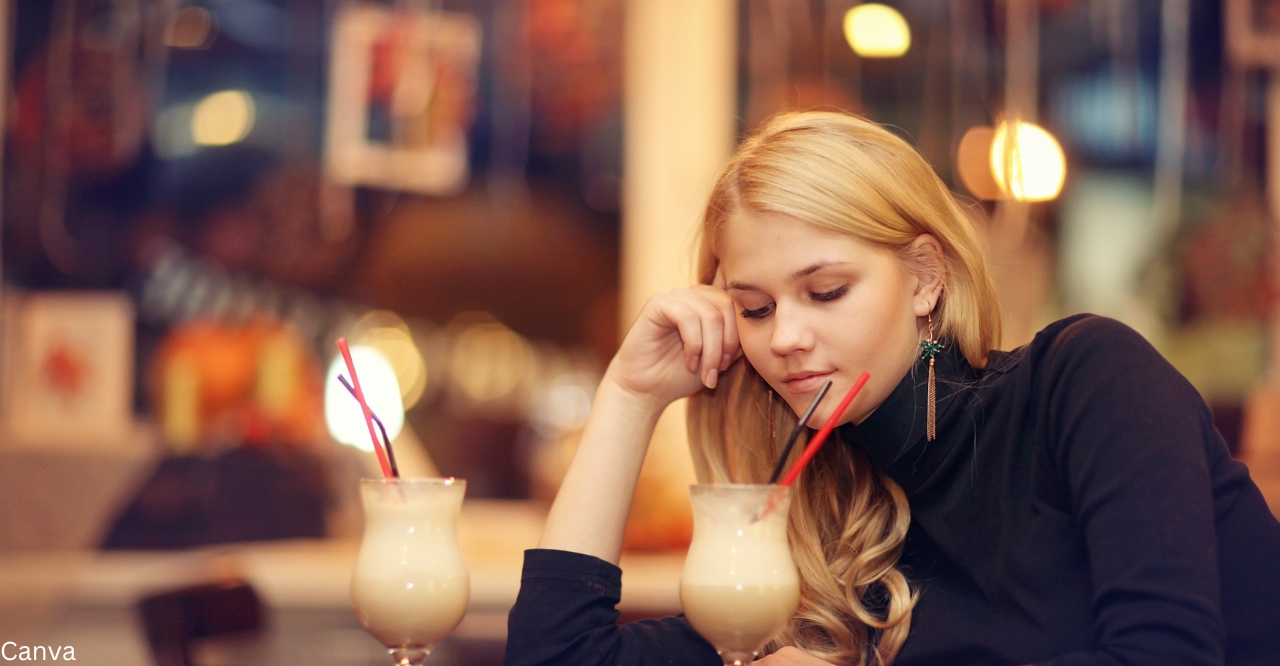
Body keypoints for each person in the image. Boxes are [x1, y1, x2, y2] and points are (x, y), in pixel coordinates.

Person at [503, 111, 1280, 666]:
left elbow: (1166, 653)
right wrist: (629, 396)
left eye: (827, 291)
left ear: (924, 279)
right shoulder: (824, 531)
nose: (784, 338)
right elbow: (556, 654)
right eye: (755, 308)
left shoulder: (1087, 381)